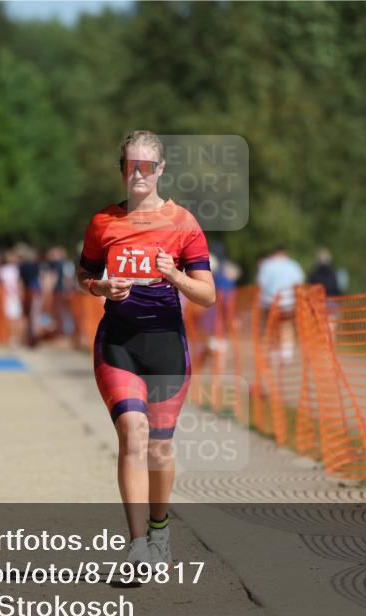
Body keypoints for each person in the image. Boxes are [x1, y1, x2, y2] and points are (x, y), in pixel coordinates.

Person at [77, 130, 216, 570]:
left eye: (146, 166)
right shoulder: (103, 222)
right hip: (118, 342)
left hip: (166, 348)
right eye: (130, 166)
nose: (137, 174)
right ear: (122, 170)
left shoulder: (184, 223)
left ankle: (160, 529)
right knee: (132, 434)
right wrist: (101, 285)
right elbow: (83, 276)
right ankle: (137, 545)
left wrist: (174, 276)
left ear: (159, 170)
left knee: (159, 448)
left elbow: (207, 295)